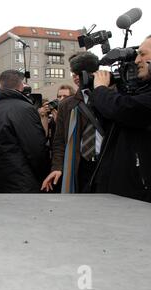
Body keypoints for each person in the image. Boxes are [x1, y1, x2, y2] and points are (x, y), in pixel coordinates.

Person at [90, 35, 151, 203]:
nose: (137, 60)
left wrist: (101, 89)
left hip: (139, 194)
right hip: (119, 187)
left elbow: (124, 109)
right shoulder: (142, 90)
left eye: (143, 54)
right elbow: (112, 120)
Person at [41, 52, 101, 193]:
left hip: (107, 164)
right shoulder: (67, 105)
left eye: (79, 73)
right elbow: (60, 141)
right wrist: (57, 168)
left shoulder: (111, 97)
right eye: (73, 73)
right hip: (79, 167)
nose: (76, 77)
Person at [0, 70, 49, 193]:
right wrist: (43, 174)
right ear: (22, 85)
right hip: (22, 183)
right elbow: (36, 148)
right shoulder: (26, 109)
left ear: (0, 87)